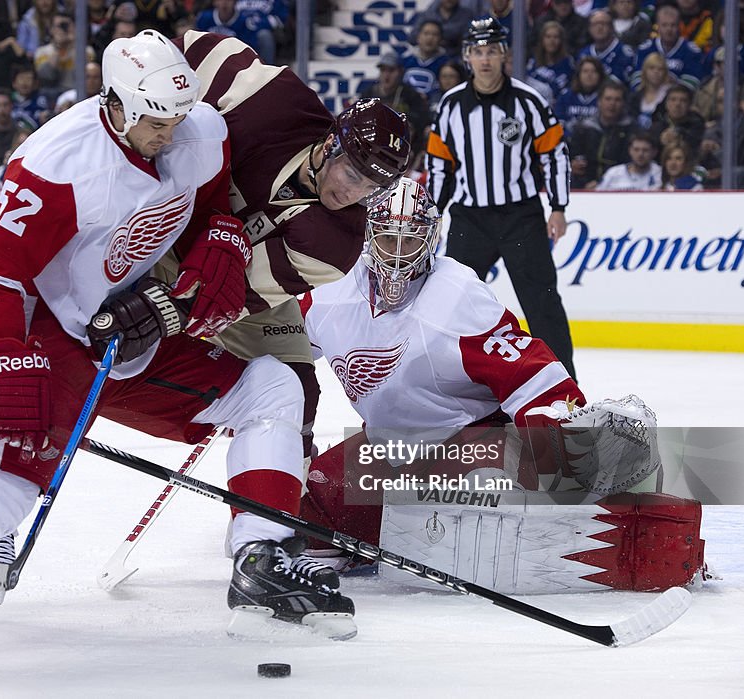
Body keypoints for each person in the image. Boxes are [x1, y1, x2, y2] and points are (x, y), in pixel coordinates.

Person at [0, 31, 354, 682]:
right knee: (5, 487)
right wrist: (5, 360)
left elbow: (207, 197)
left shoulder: (197, 130)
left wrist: (217, 230)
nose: (171, 134)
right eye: (156, 124)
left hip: (127, 334)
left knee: (274, 387)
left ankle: (261, 559)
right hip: (48, 334)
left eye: (177, 119)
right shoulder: (58, 166)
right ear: (119, 106)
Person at [296, 177, 706, 595]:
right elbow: (279, 352)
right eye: (389, 240)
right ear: (369, 237)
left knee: (476, 497)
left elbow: (531, 374)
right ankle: (360, 541)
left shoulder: (456, 296)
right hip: (391, 445)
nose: (399, 256)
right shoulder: (330, 295)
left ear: (431, 237)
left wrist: (560, 445)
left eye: (411, 240)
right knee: (312, 499)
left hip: (470, 437)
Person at [165, 30, 414, 470]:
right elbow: (186, 49)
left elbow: (230, 296)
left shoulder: (334, 246)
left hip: (224, 273)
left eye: (371, 188)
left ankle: (272, 516)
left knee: (297, 389)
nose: (354, 195)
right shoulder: (274, 99)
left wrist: (163, 311)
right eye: (353, 176)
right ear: (331, 143)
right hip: (157, 219)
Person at [428, 18, 574, 385]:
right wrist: (434, 212)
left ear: (504, 55)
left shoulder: (529, 100)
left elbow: (555, 153)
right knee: (451, 305)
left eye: (492, 50)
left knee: (542, 305)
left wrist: (558, 207)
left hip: (520, 217)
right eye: (478, 51)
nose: (485, 59)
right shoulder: (450, 106)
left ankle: (564, 388)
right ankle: (448, 385)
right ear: (467, 58)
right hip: (469, 219)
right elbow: (439, 164)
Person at [568, 79, 634, 189]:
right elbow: (573, 157)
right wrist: (573, 165)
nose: (612, 104)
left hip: (620, 186)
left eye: (617, 100)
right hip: (584, 185)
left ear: (623, 103)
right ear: (599, 101)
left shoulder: (632, 130)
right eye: (608, 99)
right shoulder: (583, 128)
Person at [358, 51, 431, 150]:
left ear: (400, 72)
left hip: (403, 142)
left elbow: (422, 119)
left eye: (391, 70)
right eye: (383, 70)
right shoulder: (369, 93)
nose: (387, 75)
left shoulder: (409, 94)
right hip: (374, 140)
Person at [633, 4, 706, 91]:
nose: (669, 29)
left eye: (673, 25)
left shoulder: (691, 51)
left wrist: (672, 88)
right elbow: (636, 79)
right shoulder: (645, 49)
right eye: (664, 25)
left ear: (679, 26)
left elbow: (694, 81)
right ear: (657, 27)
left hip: (678, 100)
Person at [577, 9, 636, 86]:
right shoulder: (584, 53)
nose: (599, 27)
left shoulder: (625, 52)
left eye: (603, 23)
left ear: (611, 27)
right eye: (595, 24)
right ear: (589, 29)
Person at [595, 131, 661, 191]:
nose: (640, 154)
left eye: (645, 150)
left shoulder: (660, 173)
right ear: (630, 150)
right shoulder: (614, 173)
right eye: (636, 150)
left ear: (654, 152)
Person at [628, 51, 675, 130]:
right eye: (652, 68)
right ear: (645, 71)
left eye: (660, 69)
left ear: (665, 72)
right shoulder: (636, 95)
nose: (656, 72)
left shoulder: (671, 95)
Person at [403, 18, 448, 99]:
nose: (430, 38)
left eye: (435, 34)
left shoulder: (446, 64)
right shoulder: (404, 62)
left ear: (441, 39)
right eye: (426, 33)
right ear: (418, 37)